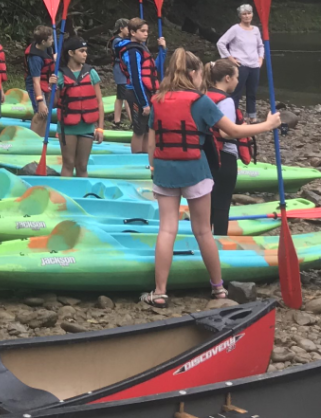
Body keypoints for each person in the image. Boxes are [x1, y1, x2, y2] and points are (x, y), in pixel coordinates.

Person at [143, 48, 280, 308]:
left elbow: (152, 143)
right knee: (203, 230)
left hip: (164, 170)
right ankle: (218, 289)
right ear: (194, 73)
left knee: (167, 229)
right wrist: (268, 125)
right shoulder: (201, 102)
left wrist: (153, 166)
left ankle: (160, 291)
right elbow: (234, 131)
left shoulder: (157, 100)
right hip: (195, 169)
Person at [204, 59, 256, 236]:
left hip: (206, 156)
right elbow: (227, 134)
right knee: (222, 205)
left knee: (208, 203)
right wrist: (251, 128)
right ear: (227, 78)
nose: (237, 81)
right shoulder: (226, 101)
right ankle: (219, 244)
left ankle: (204, 241)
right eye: (236, 77)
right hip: (224, 157)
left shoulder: (203, 95)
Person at [55, 38, 104, 177]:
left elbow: (99, 102)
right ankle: (67, 196)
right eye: (81, 51)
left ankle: (82, 196)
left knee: (82, 166)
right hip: (67, 126)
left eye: (86, 51)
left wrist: (100, 127)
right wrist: (51, 86)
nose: (85, 54)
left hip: (87, 126)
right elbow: (53, 102)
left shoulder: (91, 73)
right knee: (68, 163)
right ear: (71, 53)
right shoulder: (60, 75)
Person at [120, 18, 166, 155]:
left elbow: (154, 69)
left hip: (147, 91)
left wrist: (163, 51)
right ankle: (136, 160)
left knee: (147, 128)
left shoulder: (142, 48)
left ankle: (145, 158)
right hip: (136, 93)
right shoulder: (132, 51)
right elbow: (135, 78)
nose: (146, 34)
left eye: (147, 31)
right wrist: (144, 103)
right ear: (133, 32)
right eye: (142, 31)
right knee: (139, 129)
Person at [216, 5, 265, 121]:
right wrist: (230, 58)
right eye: (244, 14)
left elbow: (260, 46)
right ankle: (232, 115)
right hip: (240, 65)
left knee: (252, 92)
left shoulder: (256, 30)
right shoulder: (235, 29)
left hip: (254, 65)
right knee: (236, 92)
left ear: (252, 14)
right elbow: (221, 43)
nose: (247, 16)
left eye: (249, 13)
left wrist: (261, 58)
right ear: (240, 16)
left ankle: (251, 115)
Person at [23, 26, 55, 138]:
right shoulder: (35, 58)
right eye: (51, 39)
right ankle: (33, 140)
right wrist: (40, 101)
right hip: (35, 86)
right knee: (40, 113)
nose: (53, 41)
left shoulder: (46, 47)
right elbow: (36, 82)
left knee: (45, 115)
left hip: (45, 82)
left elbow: (51, 58)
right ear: (43, 42)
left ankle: (41, 140)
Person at [110, 18, 133, 129]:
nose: (130, 30)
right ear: (121, 28)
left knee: (120, 96)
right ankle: (132, 121)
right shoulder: (117, 41)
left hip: (123, 70)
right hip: (120, 70)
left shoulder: (123, 40)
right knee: (126, 95)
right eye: (128, 28)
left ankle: (117, 121)